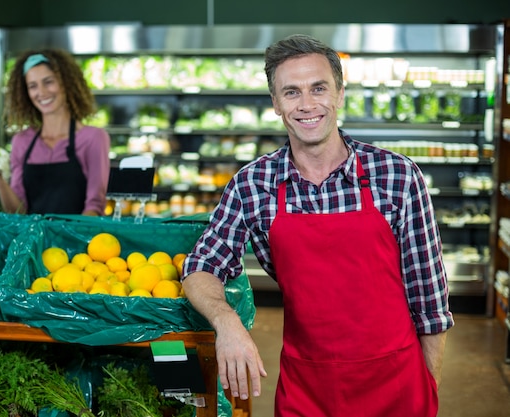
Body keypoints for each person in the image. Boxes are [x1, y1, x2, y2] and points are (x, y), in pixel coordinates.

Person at [181, 34, 453, 417]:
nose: (307, 105)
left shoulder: (397, 175)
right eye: (291, 92)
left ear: (340, 93)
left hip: (397, 385)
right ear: (275, 103)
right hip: (307, 389)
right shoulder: (253, 184)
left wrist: (427, 388)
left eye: (319, 88)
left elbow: (430, 304)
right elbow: (199, 267)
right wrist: (227, 323)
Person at [0, 48, 110, 215]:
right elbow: (17, 212)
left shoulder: (93, 138)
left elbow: (95, 205)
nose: (41, 92)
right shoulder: (21, 142)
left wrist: (68, 239)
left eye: (48, 81)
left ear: (66, 83)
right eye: (32, 86)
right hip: (33, 240)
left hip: (76, 239)